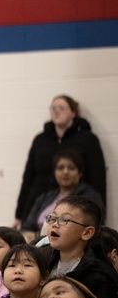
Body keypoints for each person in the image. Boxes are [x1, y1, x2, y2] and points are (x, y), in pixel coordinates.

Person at [14, 95, 107, 228]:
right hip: (42, 202)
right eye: (53, 108)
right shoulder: (40, 140)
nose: (56, 111)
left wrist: (100, 218)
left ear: (73, 113)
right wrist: (19, 215)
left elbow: (98, 179)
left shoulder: (88, 139)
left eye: (62, 108)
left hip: (74, 201)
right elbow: (28, 178)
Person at [45, 196, 118, 298]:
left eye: (64, 220)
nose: (55, 224)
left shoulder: (98, 276)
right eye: (52, 218)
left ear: (87, 233)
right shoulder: (43, 261)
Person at [20, 150, 104, 242]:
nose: (65, 172)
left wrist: (36, 235)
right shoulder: (45, 197)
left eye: (71, 168)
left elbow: (82, 228)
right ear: (54, 172)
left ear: (80, 173)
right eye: (60, 168)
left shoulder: (88, 197)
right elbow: (26, 227)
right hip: (36, 246)